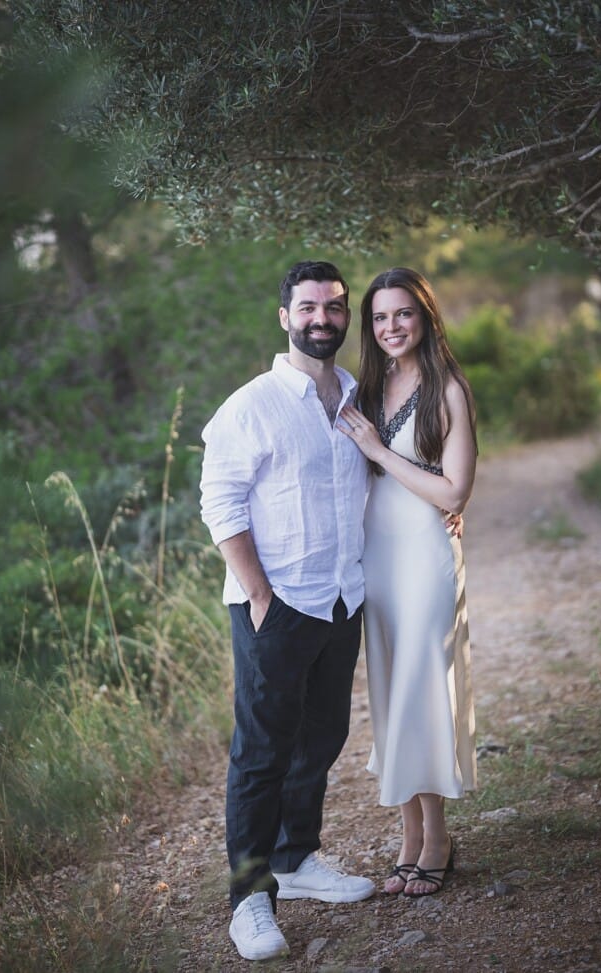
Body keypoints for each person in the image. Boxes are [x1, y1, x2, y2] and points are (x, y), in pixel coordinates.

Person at [200, 260, 376, 962]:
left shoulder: (356, 398)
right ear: (285, 316)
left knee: (325, 733)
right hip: (278, 603)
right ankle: (250, 897)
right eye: (309, 307)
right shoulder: (251, 406)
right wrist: (261, 596)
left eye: (335, 307)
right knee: (261, 752)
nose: (323, 319)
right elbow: (220, 505)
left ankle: (296, 858)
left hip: (341, 598)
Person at [337, 267, 478, 899]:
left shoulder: (448, 388)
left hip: (425, 555)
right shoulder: (364, 387)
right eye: (380, 317)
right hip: (378, 557)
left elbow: (453, 490)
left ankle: (437, 840)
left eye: (404, 314)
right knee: (391, 692)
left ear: (424, 318)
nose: (392, 327)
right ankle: (408, 837)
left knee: (424, 687)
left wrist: (379, 451)